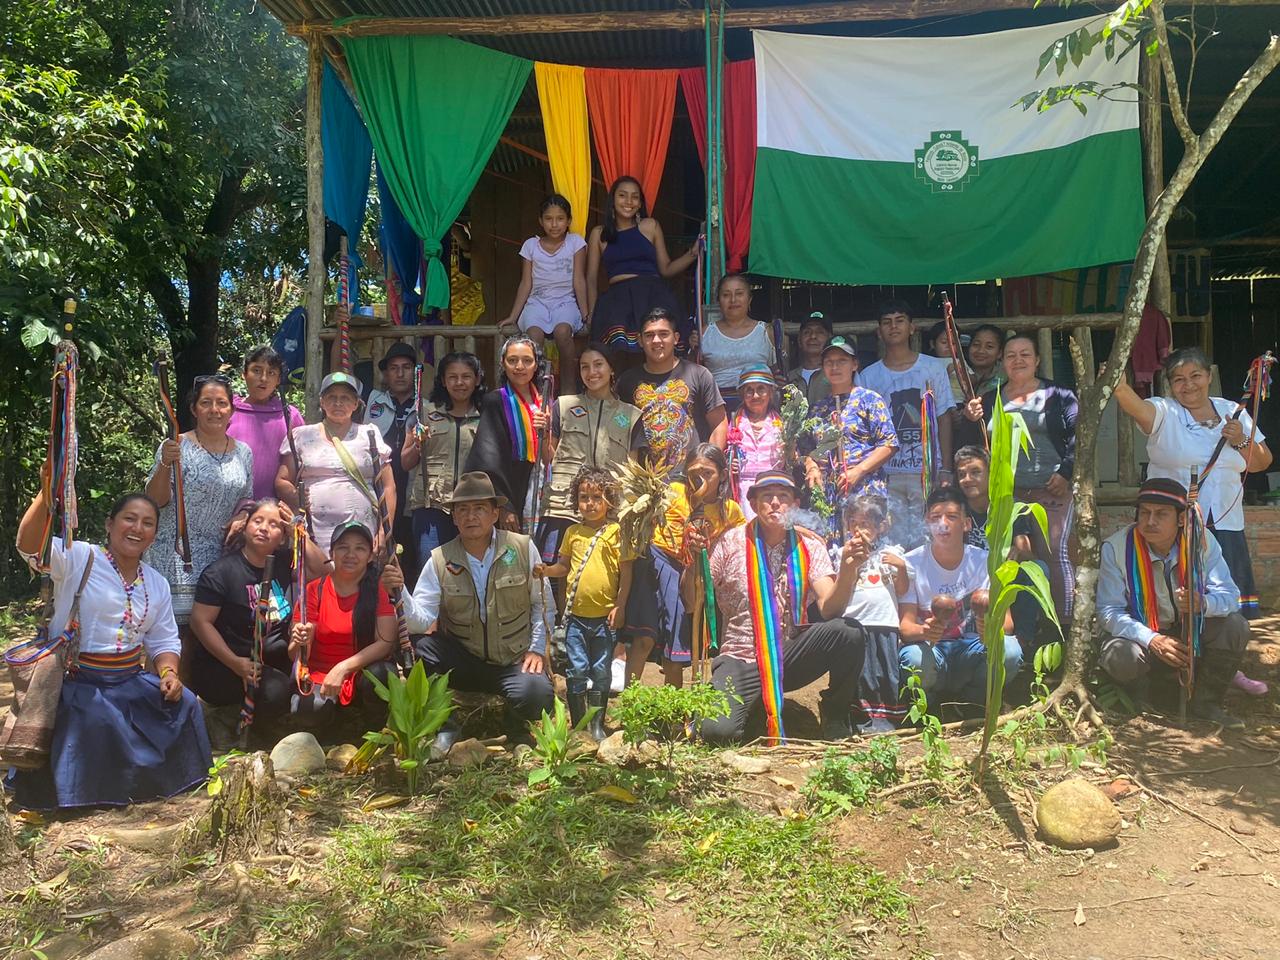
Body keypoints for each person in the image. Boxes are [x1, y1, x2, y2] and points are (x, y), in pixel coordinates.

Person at [9, 489, 211, 810]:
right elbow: (30, 547)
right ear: (109, 524)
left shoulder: (156, 583)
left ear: (154, 536)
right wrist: (46, 492)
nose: (137, 528)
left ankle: (149, 786)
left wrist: (169, 672)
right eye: (129, 519)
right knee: (98, 720)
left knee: (185, 704)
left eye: (147, 523)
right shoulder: (80, 558)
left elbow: (163, 640)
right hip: (79, 681)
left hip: (129, 680)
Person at [685, 471, 866, 744]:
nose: (775, 503)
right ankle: (752, 705)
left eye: (783, 497)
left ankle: (835, 714)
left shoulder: (810, 545)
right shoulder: (731, 541)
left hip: (788, 655)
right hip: (741, 656)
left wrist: (849, 570)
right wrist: (692, 560)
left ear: (794, 504)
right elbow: (692, 599)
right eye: (766, 496)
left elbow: (830, 609)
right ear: (755, 503)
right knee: (716, 733)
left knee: (849, 632)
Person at [1111, 348, 1271, 627]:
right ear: (1170, 385)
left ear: (1209, 376)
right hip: (1176, 522)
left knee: (1225, 602)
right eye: (1179, 379)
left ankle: (1226, 666)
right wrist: (1120, 387)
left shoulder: (1233, 411)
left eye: (1195, 375)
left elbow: (1261, 462)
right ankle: (1174, 659)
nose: (1188, 385)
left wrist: (1242, 440)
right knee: (1177, 597)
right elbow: (1136, 408)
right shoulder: (1165, 411)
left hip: (1224, 521)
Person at [395, 473, 554, 748]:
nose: (471, 517)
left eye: (479, 509)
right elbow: (420, 621)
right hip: (465, 660)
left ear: (495, 513)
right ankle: (445, 725)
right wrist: (400, 592)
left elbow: (544, 604)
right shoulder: (439, 559)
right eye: (463, 510)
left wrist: (537, 649)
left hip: (512, 660)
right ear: (454, 517)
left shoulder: (523, 548)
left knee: (538, 693)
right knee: (418, 648)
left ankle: (515, 727)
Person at [1097, 478, 1250, 730]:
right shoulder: (1116, 548)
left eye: (1161, 514)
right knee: (1122, 655)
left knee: (1235, 627)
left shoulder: (1202, 542)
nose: (1150, 521)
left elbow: (1230, 596)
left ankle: (1206, 703)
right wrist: (1152, 639)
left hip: (1190, 633)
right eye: (1144, 512)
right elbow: (1108, 611)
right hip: (1143, 636)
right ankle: (1144, 703)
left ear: (1181, 519)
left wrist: (1203, 603)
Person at [963, 334, 1077, 622]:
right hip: (1007, 494)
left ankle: (1062, 627)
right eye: (1011, 355)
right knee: (1013, 559)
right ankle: (1023, 628)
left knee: (1055, 555)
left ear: (1037, 360)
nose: (1018, 360)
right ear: (1002, 362)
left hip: (1051, 489)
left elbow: (1081, 437)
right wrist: (969, 418)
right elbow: (973, 445)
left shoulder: (1059, 395)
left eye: (1025, 354)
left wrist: (1066, 472)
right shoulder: (991, 399)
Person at [189, 499, 313, 744]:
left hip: (277, 661)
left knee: (299, 690)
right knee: (275, 690)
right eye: (258, 521)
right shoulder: (221, 572)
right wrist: (236, 663)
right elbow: (200, 622)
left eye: (275, 525)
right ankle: (240, 727)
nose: (264, 528)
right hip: (227, 666)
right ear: (245, 527)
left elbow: (323, 571)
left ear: (282, 535)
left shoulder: (286, 563)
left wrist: (299, 535)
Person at [626, 443, 744, 687]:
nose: (699, 479)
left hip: (694, 577)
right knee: (643, 639)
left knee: (677, 644)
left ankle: (676, 713)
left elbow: (743, 540)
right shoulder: (673, 491)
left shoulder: (730, 510)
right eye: (693, 473)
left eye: (707, 473)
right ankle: (630, 706)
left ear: (723, 474)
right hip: (656, 563)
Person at [898, 487, 1023, 711]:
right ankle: (928, 703)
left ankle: (974, 700)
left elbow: (1008, 624)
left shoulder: (986, 562)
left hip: (972, 650)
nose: (943, 524)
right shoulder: (911, 563)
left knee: (1010, 651)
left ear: (966, 524)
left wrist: (989, 629)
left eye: (952, 517)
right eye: (935, 518)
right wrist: (924, 632)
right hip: (932, 652)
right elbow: (906, 627)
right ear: (927, 523)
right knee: (914, 658)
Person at [146, 374, 253, 627]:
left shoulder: (244, 452)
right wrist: (165, 463)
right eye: (206, 403)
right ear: (194, 409)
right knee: (170, 636)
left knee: (208, 636)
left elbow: (246, 498)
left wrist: (243, 516)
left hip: (220, 558)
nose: (214, 410)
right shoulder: (176, 445)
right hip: (176, 556)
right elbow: (155, 500)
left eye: (221, 403)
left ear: (231, 409)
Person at [537, 466, 632, 740]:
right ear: (575, 501)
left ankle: (597, 726)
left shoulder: (617, 532)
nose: (589, 504)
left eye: (597, 497)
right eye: (583, 497)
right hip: (576, 618)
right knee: (577, 669)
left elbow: (626, 572)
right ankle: (579, 726)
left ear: (610, 500)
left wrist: (621, 605)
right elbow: (564, 568)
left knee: (601, 671)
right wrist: (546, 570)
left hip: (604, 619)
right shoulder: (572, 533)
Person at [856, 301, 956, 547]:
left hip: (927, 471)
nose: (894, 326)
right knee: (894, 542)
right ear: (879, 331)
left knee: (930, 540)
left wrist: (945, 468)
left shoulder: (932, 368)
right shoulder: (869, 376)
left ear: (912, 328)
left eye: (900, 320)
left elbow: (943, 418)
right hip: (887, 474)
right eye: (887, 322)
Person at [290, 520, 397, 731]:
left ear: (369, 556)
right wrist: (300, 641)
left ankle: (370, 729)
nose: (351, 554)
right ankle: (336, 727)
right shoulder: (314, 590)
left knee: (382, 674)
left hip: (359, 674)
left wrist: (343, 668)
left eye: (360, 548)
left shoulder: (378, 589)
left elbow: (386, 643)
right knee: (307, 712)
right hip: (321, 675)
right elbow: (295, 655)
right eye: (343, 547)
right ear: (331, 552)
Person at [542, 343, 642, 565]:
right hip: (563, 506)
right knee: (558, 571)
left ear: (611, 369)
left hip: (610, 509)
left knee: (603, 575)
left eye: (598, 365)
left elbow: (633, 470)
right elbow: (548, 457)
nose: (591, 372)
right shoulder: (564, 406)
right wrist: (540, 433)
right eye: (585, 367)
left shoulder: (631, 415)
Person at [276, 371, 393, 557]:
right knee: (315, 582)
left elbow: (388, 486)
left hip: (362, 530)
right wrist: (293, 494)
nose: (338, 403)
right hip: (314, 531)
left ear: (356, 404)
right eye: (332, 397)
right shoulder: (300, 435)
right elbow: (282, 480)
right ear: (322, 402)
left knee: (359, 581)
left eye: (346, 398)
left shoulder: (369, 434)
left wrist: (383, 531)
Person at [953, 445, 1049, 653]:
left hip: (1000, 576)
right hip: (967, 580)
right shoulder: (956, 510)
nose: (967, 479)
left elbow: (1028, 554)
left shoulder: (1010, 507)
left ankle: (1023, 640)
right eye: (962, 475)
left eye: (975, 472)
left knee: (1037, 569)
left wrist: (1017, 554)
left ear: (991, 474)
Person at [587, 176, 697, 353]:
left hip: (653, 294)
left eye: (635, 197)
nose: (628, 201)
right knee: (619, 352)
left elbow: (666, 269)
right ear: (613, 201)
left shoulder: (650, 226)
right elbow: (591, 279)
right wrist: (591, 314)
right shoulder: (599, 234)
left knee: (659, 345)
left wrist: (693, 253)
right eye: (622, 195)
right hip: (618, 300)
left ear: (640, 204)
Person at [798, 336, 899, 528]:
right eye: (829, 362)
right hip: (829, 493)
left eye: (842, 361)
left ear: (854, 365)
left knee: (864, 547)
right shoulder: (818, 409)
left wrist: (858, 471)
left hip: (864, 488)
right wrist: (811, 466)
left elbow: (889, 444)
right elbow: (806, 450)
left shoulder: (869, 400)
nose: (835, 367)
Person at [617, 308, 727, 473]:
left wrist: (707, 468)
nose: (656, 340)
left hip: (689, 479)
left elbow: (719, 423)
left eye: (663, 334)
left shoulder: (698, 374)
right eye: (649, 335)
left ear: (676, 338)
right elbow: (619, 423)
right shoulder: (627, 381)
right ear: (640, 340)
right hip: (643, 483)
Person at [402, 352, 485, 564]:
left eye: (466, 376)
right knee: (432, 571)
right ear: (443, 380)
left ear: (477, 379)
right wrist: (418, 444)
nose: (459, 383)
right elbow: (405, 462)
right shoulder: (424, 413)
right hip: (431, 505)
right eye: (452, 377)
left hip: (472, 505)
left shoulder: (486, 416)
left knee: (471, 570)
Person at [502, 194, 589, 389]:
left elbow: (579, 280)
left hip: (565, 301)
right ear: (541, 221)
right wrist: (513, 316)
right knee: (534, 336)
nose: (554, 224)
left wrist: (585, 314)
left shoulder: (576, 243)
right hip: (537, 302)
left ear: (568, 221)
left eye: (560, 219)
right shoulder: (530, 246)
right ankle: (537, 390)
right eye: (549, 219)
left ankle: (569, 391)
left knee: (563, 331)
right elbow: (526, 283)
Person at [463, 335, 550, 531]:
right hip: (509, 489)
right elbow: (488, 457)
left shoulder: (546, 403)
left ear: (536, 365)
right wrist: (503, 504)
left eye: (527, 360)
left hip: (542, 489)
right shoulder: (496, 401)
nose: (520, 366)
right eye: (512, 360)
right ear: (503, 363)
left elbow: (552, 456)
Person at [841, 495, 909, 732]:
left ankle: (887, 721)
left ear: (882, 526)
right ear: (848, 525)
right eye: (856, 523)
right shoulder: (843, 553)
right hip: (857, 624)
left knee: (886, 672)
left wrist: (900, 567)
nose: (861, 529)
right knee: (862, 674)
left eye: (867, 523)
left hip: (886, 623)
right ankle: (861, 722)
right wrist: (850, 563)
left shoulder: (893, 553)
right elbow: (842, 587)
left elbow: (902, 591)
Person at [365, 341, 421, 576]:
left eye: (406, 367)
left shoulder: (425, 407)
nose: (400, 373)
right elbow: (340, 369)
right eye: (394, 368)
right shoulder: (373, 400)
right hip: (377, 490)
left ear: (415, 372)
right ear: (386, 373)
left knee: (409, 557)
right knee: (374, 553)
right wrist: (340, 329)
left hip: (411, 492)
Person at [227, 345, 304, 500]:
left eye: (271, 373)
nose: (263, 378)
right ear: (244, 374)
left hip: (272, 514)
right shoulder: (228, 410)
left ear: (278, 380)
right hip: (229, 507)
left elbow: (303, 461)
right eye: (256, 370)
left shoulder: (289, 416)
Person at [696, 274, 774, 411]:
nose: (733, 300)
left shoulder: (765, 332)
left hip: (759, 408)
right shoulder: (705, 333)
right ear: (719, 301)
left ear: (749, 299)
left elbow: (775, 372)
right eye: (726, 295)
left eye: (739, 294)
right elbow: (695, 374)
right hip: (716, 408)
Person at [726, 365, 785, 520]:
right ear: (742, 394)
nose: (755, 395)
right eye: (749, 390)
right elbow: (727, 454)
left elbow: (791, 460)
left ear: (771, 392)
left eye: (761, 389)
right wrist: (730, 464)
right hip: (743, 490)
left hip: (774, 489)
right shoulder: (735, 422)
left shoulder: (781, 423)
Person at [953, 324, 1006, 451]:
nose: (981, 351)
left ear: (1000, 353)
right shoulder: (956, 372)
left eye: (989, 346)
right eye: (976, 345)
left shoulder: (1006, 375)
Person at [785, 311, 833, 406]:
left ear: (829, 338)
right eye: (807, 332)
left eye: (820, 332)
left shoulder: (837, 375)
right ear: (799, 340)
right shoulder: (788, 378)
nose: (813, 336)